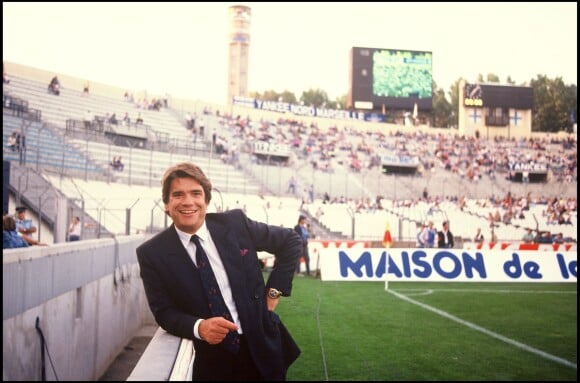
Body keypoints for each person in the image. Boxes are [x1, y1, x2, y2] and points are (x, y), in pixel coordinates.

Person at [136, 162, 301, 380]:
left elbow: (291, 241)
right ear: (166, 204)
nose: (188, 201)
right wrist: (199, 327)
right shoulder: (152, 253)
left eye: (196, 193)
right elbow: (164, 312)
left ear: (206, 200)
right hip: (212, 362)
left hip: (263, 349)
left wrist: (273, 292)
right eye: (178, 195)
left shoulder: (234, 223)